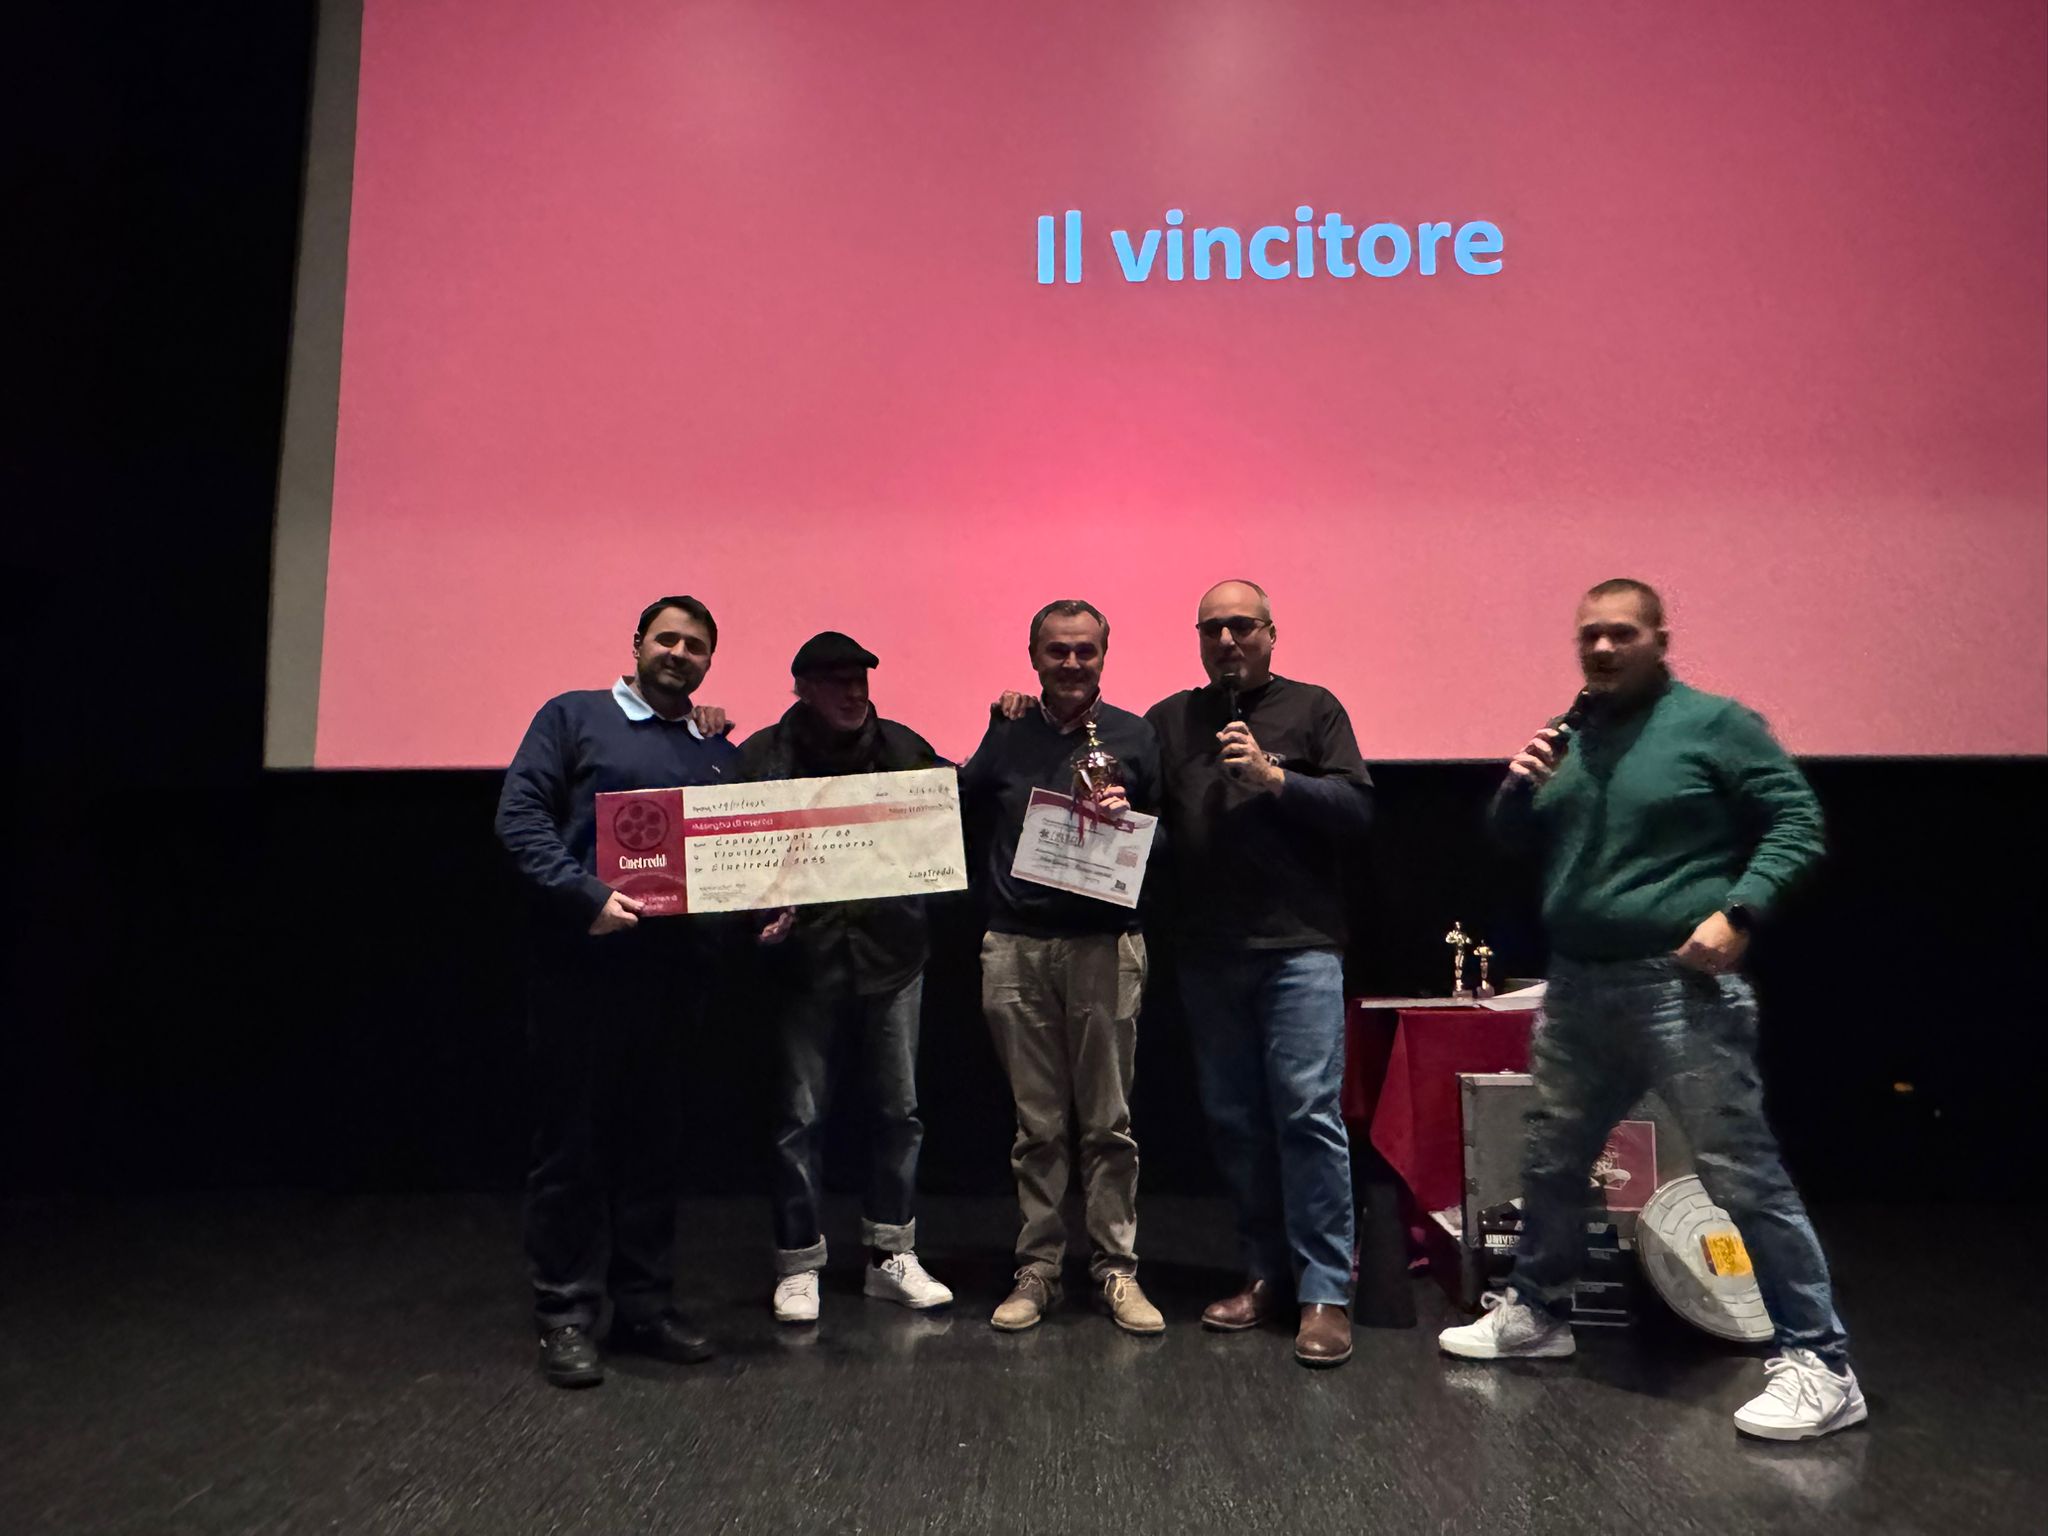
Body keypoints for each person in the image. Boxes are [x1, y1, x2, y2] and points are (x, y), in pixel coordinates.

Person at [1437, 578, 1864, 1442]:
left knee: (1741, 1175)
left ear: (1660, 640)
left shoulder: (1714, 725)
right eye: (1589, 636)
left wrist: (1740, 911)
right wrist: (1518, 790)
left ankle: (1821, 1363)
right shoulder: (1571, 737)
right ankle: (1539, 1313)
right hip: (1577, 986)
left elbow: (1797, 821)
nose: (1602, 649)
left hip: (1678, 988)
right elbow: (1514, 842)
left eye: (1622, 634)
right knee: (1553, 1161)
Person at [494, 595, 737, 1388]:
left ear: (709, 661)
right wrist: (585, 896)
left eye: (696, 646)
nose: (679, 653)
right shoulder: (572, 716)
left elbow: (735, 854)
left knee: (653, 1151)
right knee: (572, 1150)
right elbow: (520, 819)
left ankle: (643, 1307)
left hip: (675, 981)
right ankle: (565, 1315)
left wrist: (772, 906)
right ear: (637, 643)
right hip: (581, 974)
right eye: (667, 638)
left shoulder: (713, 749)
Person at [1144, 580, 1374, 1367]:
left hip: (1299, 949)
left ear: (1271, 633)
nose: (1227, 641)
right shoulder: (1170, 720)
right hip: (1208, 952)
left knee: (1308, 1116)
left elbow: (1358, 812)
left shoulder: (1314, 709)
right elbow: (1153, 830)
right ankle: (1266, 1274)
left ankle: (1325, 1293)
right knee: (1236, 1122)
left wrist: (1277, 780)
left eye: (1242, 626)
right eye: (1212, 628)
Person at [737, 632, 954, 1323]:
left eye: (861, 680)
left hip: (893, 957)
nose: (854, 692)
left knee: (899, 1113)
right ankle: (799, 1263)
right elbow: (731, 866)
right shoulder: (760, 759)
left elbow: (949, 825)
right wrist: (757, 911)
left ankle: (892, 1254)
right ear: (801, 689)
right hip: (805, 965)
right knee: (798, 1120)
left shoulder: (905, 749)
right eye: (836, 682)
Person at [965, 601, 1166, 1334]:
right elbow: (962, 808)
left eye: (1086, 650)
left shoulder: (1135, 736)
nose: (1072, 663)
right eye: (1058, 651)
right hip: (1016, 946)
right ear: (1034, 657)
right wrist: (997, 722)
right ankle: (1039, 1269)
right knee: (1038, 1126)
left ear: (1104, 655)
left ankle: (1117, 1270)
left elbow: (1171, 841)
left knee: (1109, 1124)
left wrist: (1127, 826)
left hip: (1105, 945)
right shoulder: (1008, 730)